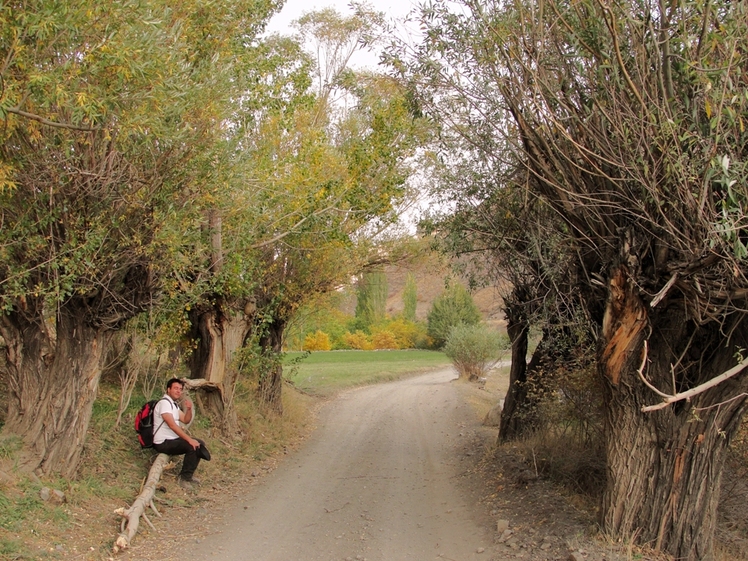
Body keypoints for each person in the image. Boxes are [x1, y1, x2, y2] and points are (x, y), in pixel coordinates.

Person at [153, 378, 209, 489]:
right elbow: (172, 425)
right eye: (175, 388)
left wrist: (188, 409)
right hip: (163, 442)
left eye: (180, 389)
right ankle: (184, 478)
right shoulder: (164, 403)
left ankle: (189, 474)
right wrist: (189, 439)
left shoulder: (173, 405)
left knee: (199, 443)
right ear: (168, 389)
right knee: (191, 446)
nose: (178, 391)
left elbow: (185, 419)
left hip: (172, 440)